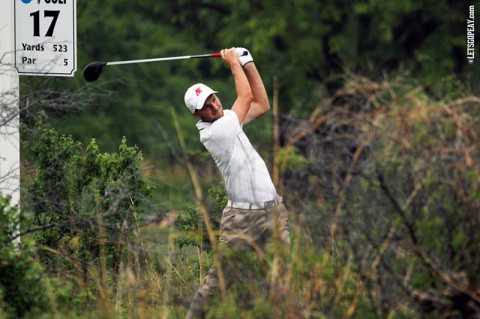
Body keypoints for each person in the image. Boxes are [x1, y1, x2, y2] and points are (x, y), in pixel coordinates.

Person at [184, 47, 290, 319]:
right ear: (198, 116)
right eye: (206, 107)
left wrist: (248, 61)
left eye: (213, 99)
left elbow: (262, 104)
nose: (213, 106)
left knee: (282, 278)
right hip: (243, 218)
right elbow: (245, 96)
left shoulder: (230, 120)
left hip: (273, 211)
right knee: (219, 281)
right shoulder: (216, 133)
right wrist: (233, 62)